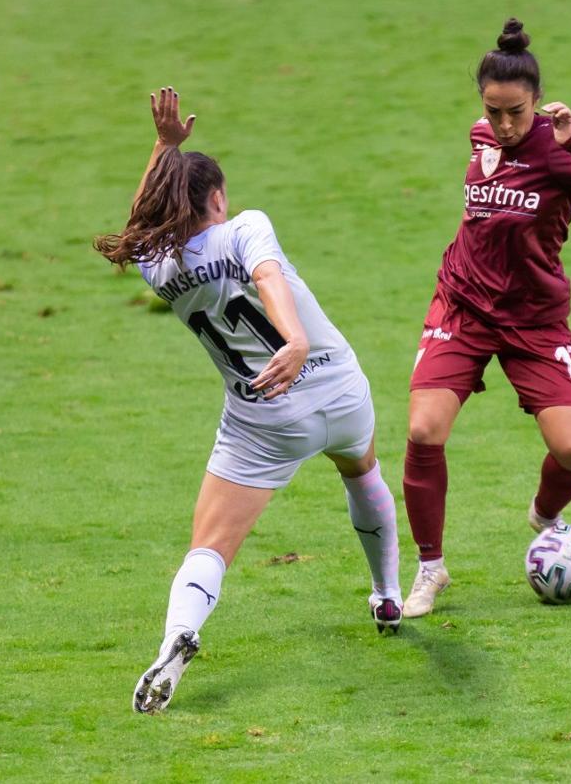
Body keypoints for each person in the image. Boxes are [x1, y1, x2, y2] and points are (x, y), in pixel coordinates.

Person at [95, 88, 403, 714]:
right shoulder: (246, 227)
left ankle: (176, 638)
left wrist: (163, 147)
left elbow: (138, 227)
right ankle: (387, 592)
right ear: (216, 198)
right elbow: (267, 276)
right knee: (362, 471)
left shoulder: (160, 267)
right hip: (338, 387)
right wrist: (294, 339)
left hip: (264, 420)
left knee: (209, 547)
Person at [402, 19, 571, 617]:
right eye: (495, 111)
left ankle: (545, 518)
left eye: (517, 113)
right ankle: (430, 570)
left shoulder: (559, 150)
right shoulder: (480, 135)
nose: (504, 125)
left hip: (535, 320)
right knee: (425, 430)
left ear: (538, 101)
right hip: (462, 304)